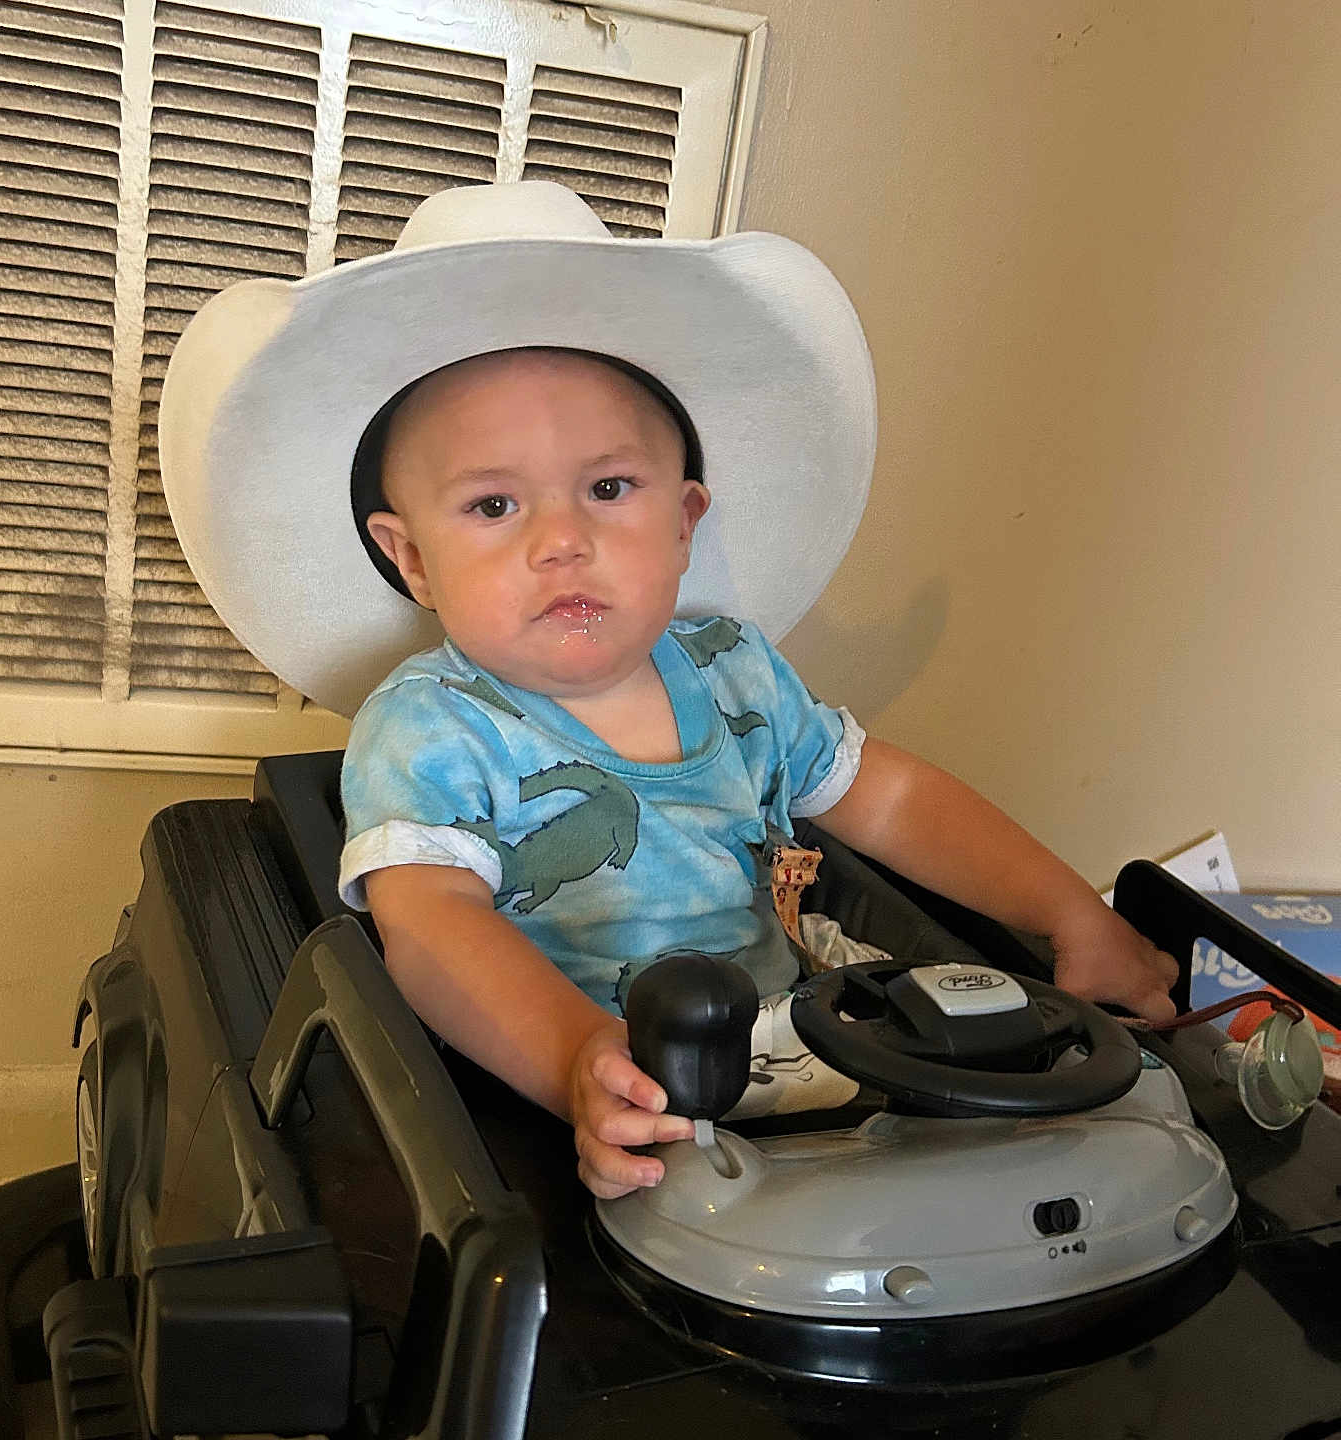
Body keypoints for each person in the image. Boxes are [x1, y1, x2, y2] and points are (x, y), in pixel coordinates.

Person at [158, 181, 1178, 1201]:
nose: (561, 540)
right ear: (411, 559)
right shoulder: (429, 725)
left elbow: (894, 799)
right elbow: (429, 927)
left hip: (793, 1041)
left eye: (608, 489)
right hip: (567, 1096)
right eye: (494, 503)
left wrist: (1070, 914)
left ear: (685, 521)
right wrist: (574, 1059)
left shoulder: (732, 665)